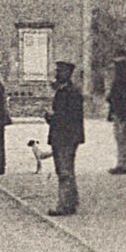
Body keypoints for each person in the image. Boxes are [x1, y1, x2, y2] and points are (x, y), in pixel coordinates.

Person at [46, 60, 84, 214]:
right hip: (66, 136)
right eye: (57, 70)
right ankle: (71, 200)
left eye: (60, 71)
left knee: (64, 171)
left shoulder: (70, 92)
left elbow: (66, 117)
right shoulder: (66, 91)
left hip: (65, 136)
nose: (57, 73)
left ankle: (65, 205)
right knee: (66, 169)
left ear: (67, 73)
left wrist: (50, 117)